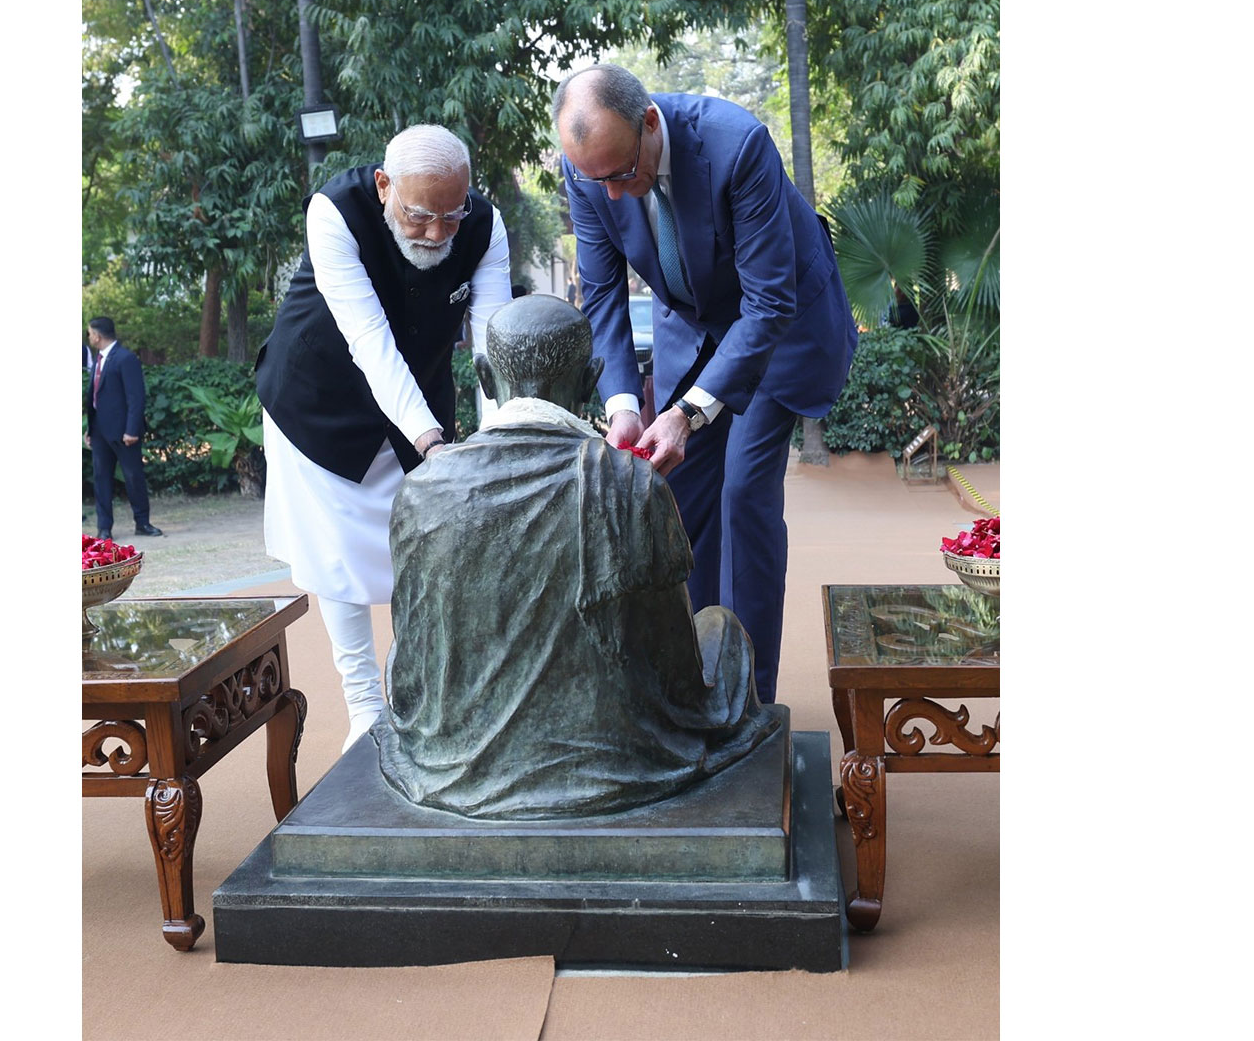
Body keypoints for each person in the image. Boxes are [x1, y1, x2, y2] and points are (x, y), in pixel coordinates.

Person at [374, 294, 777, 820]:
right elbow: (674, 672)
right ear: (591, 381)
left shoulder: (421, 490)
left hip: (452, 765)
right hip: (616, 764)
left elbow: (409, 678)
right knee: (722, 629)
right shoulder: (629, 485)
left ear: (485, 378)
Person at [551, 64, 858, 704]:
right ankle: (696, 683)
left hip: (780, 326)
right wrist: (624, 405)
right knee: (678, 498)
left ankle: (749, 699)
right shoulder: (591, 171)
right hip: (691, 329)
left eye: (620, 175)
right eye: (592, 179)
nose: (610, 194)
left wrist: (687, 413)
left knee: (743, 493)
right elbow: (603, 291)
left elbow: (768, 303)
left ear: (651, 125)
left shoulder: (737, 145)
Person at [254, 124, 511, 750]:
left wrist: (500, 442)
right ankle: (365, 710)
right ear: (383, 185)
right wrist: (433, 445)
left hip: (417, 394)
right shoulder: (334, 212)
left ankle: (415, 695)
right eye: (419, 215)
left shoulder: (485, 226)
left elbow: (496, 345)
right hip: (317, 399)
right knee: (337, 555)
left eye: (452, 216)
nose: (435, 233)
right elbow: (369, 341)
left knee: (426, 551)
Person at [85, 317, 165, 541]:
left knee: (133, 477)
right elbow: (94, 397)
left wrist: (132, 429)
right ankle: (104, 528)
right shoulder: (98, 360)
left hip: (124, 433)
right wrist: (90, 428)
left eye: (90, 333)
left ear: (98, 335)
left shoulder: (126, 358)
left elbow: (136, 397)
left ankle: (142, 522)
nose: (89, 337)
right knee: (101, 479)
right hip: (100, 431)